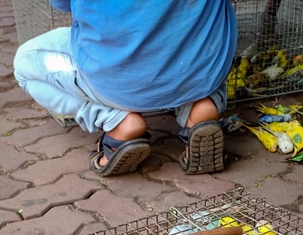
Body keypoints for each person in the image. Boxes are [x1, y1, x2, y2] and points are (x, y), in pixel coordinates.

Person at [13, 1, 238, 177]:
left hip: (116, 81)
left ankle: (118, 120)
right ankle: (202, 107)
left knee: (24, 63)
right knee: (213, 31)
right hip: (195, 72)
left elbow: (62, 5)